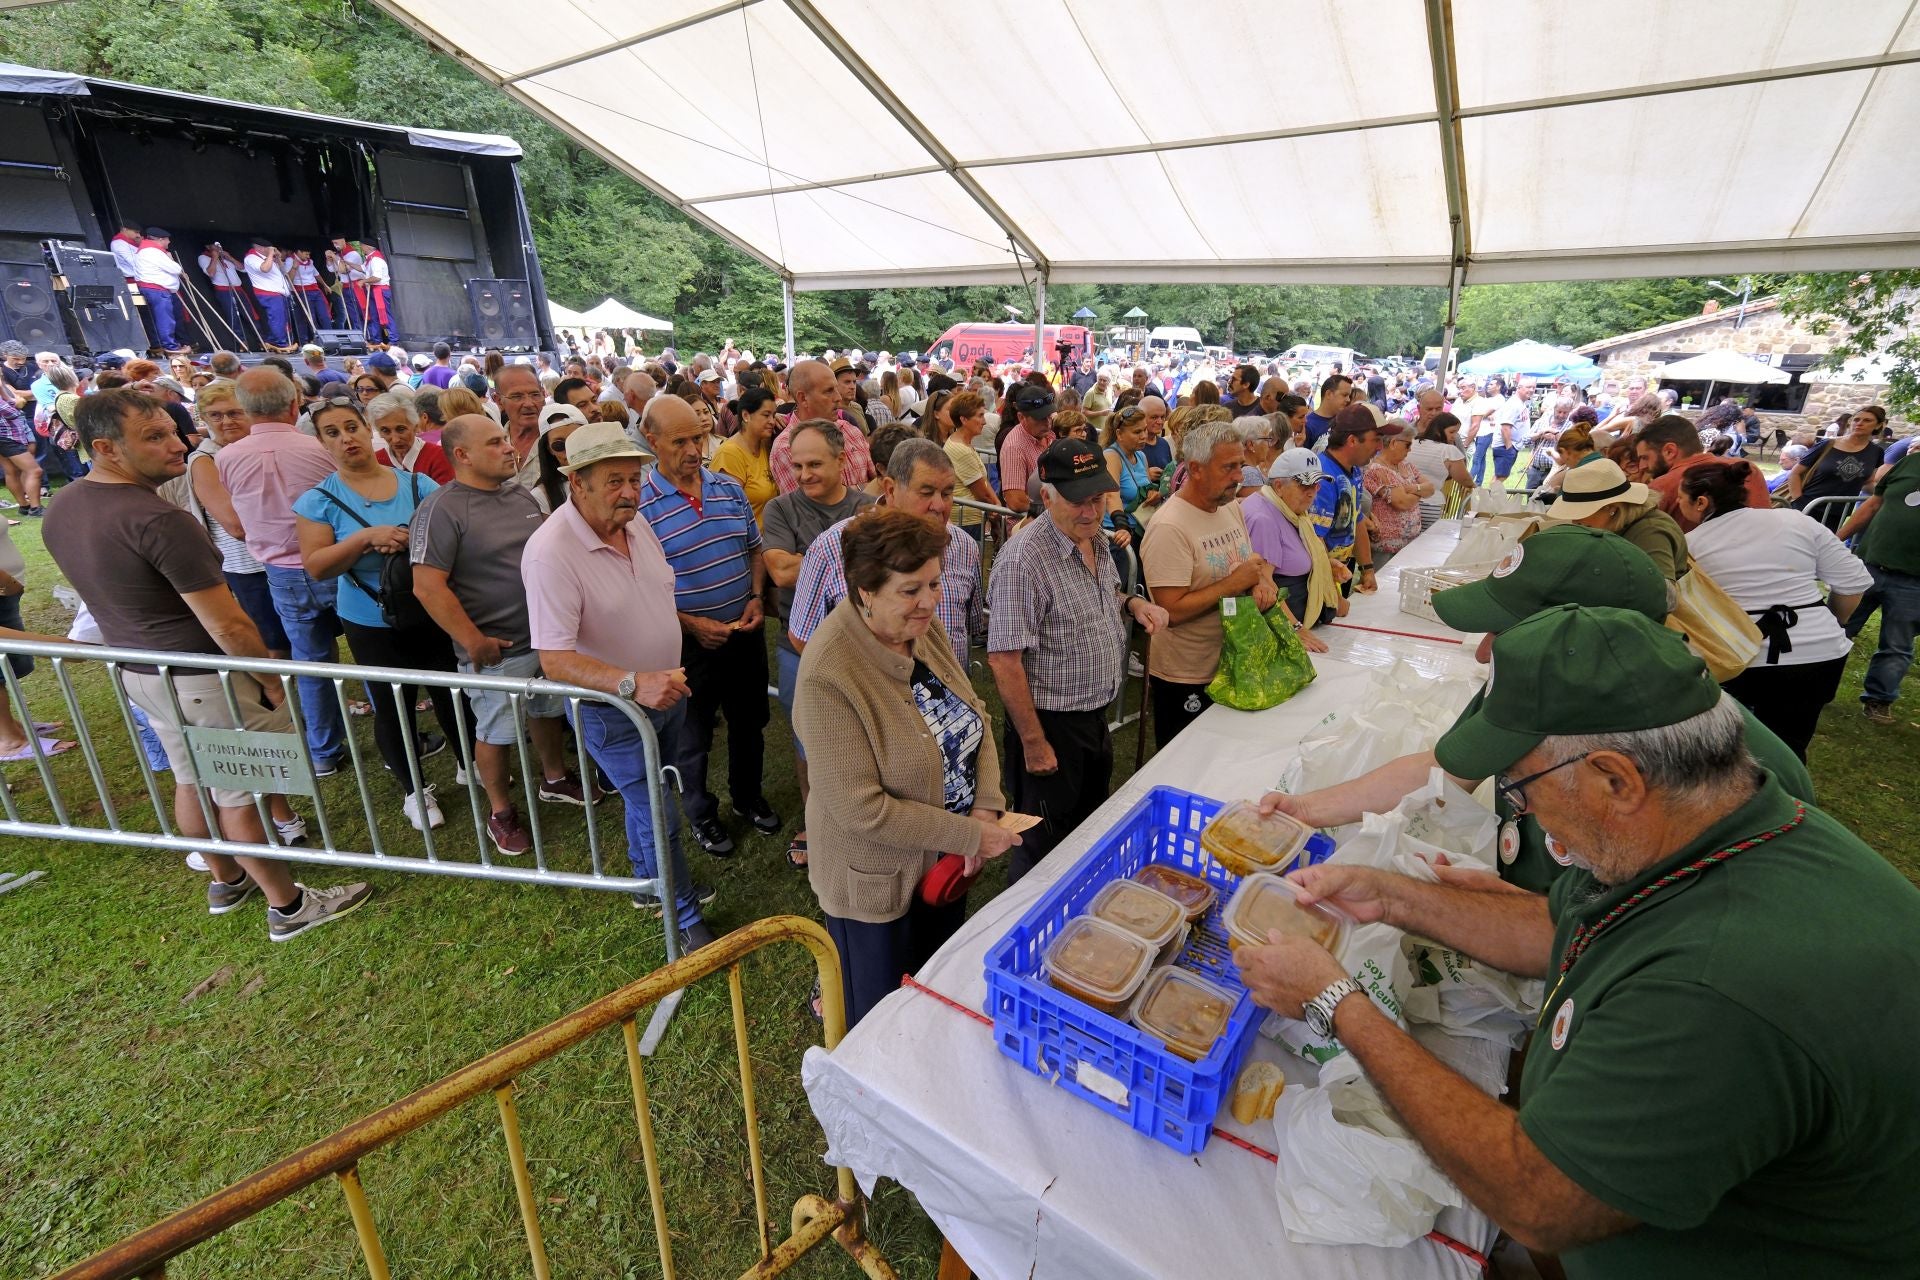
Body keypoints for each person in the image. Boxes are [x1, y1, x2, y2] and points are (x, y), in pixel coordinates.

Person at [1238, 605, 1920, 1278]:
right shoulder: (1706, 829)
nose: (1517, 807)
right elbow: (1553, 926)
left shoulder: (1718, 987)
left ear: (1617, 780)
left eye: (1521, 784)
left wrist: (1335, 1000)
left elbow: (1537, 1200)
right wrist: (1391, 895)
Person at [1261, 525, 1812, 893]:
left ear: (1592, 632)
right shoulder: (1551, 681)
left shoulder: (1731, 779)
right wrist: (1303, 810)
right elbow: (1443, 765)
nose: (1482, 652)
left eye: (1502, 630)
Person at [45, 389, 370, 938]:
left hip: (141, 674)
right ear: (105, 448)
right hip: (202, 676)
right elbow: (227, 624)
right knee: (238, 791)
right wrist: (266, 676)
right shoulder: (157, 519)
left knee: (193, 780)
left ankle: (224, 878)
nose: (178, 443)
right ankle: (289, 907)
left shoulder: (64, 506)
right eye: (154, 437)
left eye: (173, 429)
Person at [792, 508, 1017, 1026]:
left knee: (933, 989)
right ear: (865, 591)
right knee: (879, 1014)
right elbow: (860, 810)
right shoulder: (829, 671)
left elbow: (973, 713)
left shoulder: (922, 626)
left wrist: (985, 808)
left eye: (935, 584)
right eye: (911, 590)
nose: (929, 602)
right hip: (875, 882)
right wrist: (968, 836)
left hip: (944, 862)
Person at [522, 421, 712, 945]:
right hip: (615, 709)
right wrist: (634, 684)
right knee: (658, 808)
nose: (629, 491)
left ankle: (644, 878)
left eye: (634, 478)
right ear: (576, 482)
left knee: (647, 797)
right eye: (614, 480)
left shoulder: (636, 523)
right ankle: (684, 916)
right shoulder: (550, 552)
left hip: (665, 690)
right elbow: (555, 660)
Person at [988, 440, 1168, 882]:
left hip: (1093, 716)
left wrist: (1132, 605)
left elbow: (1104, 595)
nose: (1090, 512)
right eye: (1077, 501)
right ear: (1047, 496)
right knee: (1041, 843)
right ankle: (1027, 923)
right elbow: (1004, 659)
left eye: (1096, 499)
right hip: (1051, 724)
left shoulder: (1096, 541)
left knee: (1087, 826)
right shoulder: (1023, 561)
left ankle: (1077, 907)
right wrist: (1034, 742)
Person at [410, 414, 588, 855]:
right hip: (496, 649)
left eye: (505, 440)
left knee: (546, 711)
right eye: (495, 442)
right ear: (462, 455)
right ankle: (500, 812)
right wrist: (473, 641)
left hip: (545, 639)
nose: (509, 448)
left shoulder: (519, 495)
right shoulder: (441, 509)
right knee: (496, 731)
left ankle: (553, 778)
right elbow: (426, 585)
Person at [294, 396, 460, 830]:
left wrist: (407, 539)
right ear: (321, 443)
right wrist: (364, 539)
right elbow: (316, 565)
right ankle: (413, 790)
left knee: (449, 691)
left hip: (428, 608)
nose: (346, 438)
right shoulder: (318, 501)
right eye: (332, 432)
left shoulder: (417, 484)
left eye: (351, 427)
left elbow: (452, 540)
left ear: (366, 428)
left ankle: (468, 762)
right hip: (369, 619)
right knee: (392, 706)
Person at [637, 395, 775, 858]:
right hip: (687, 646)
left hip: (743, 631)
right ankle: (701, 814)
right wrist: (691, 625)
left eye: (698, 437)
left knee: (750, 720)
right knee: (692, 734)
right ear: (651, 440)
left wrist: (756, 597)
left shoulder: (728, 488)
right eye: (680, 441)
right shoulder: (640, 508)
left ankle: (747, 796)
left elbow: (754, 549)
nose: (694, 449)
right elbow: (638, 587)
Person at [1677, 460, 1871, 760]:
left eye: (1680, 498)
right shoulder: (1797, 522)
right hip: (1819, 653)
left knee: (1727, 751)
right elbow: (1853, 585)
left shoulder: (1690, 544)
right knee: (1790, 749)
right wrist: (1831, 620)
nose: (1678, 504)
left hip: (1739, 654)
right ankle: (1789, 797)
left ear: (1701, 501)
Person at [217, 370, 349, 772]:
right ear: (294, 405)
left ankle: (324, 751)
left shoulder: (226, 457)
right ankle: (400, 736)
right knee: (367, 652)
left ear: (244, 410)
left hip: (282, 572)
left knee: (309, 662)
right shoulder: (318, 450)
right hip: (335, 561)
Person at [762, 420, 877, 871]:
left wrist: (808, 557)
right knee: (807, 735)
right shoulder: (780, 509)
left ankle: (861, 816)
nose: (804, 474)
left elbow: (877, 568)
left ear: (841, 461)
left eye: (814, 464)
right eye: (797, 465)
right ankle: (816, 820)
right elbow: (779, 573)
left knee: (865, 733)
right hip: (801, 645)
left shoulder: (868, 506)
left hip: (863, 646)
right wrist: (839, 552)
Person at [1139, 419, 1277, 747]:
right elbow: (1170, 611)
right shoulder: (1169, 527)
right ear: (1196, 469)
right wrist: (1235, 583)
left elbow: (1246, 560)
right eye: (1228, 467)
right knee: (1185, 764)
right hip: (1186, 675)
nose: (1239, 476)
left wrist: (1260, 579)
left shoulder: (1229, 507)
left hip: (1232, 661)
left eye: (1240, 465)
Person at [790, 438, 982, 668]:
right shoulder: (833, 547)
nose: (939, 505)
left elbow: (969, 628)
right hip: (868, 698)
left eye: (947, 493)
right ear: (890, 489)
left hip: (947, 697)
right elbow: (803, 637)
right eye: (926, 492)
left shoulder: (965, 547)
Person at [1835, 441, 1920, 724]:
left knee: (1897, 644)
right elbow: (1873, 504)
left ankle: (1878, 700)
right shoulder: (1908, 464)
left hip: (1914, 579)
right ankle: (1812, 684)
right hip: (1868, 565)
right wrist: (1837, 539)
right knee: (1834, 629)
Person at [1240, 448, 1341, 651]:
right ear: (1278, 486)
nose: (1312, 491)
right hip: (1278, 633)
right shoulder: (1263, 519)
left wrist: (1327, 565)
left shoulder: (1290, 510)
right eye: (1304, 485)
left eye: (1316, 484)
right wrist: (1295, 629)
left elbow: (1291, 553)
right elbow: (1264, 582)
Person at [1548, 457, 1690, 582]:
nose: (1574, 521)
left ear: (1612, 508)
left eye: (1580, 512)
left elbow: (1664, 595)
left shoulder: (1650, 531)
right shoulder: (1610, 525)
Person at [1635, 415, 1769, 531]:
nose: (1642, 466)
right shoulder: (1747, 468)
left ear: (1669, 451)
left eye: (1645, 457)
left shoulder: (1661, 487)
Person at [1311, 405, 1386, 596]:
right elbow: (1313, 540)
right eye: (1376, 440)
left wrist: (1367, 568)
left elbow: (1357, 518)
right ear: (1352, 440)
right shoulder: (1324, 476)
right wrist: (1333, 594)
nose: (1380, 447)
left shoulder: (1354, 470)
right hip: (1317, 578)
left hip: (1339, 572)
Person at [770, 359, 874, 493]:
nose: (838, 398)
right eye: (829, 391)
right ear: (803, 398)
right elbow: (811, 507)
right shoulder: (786, 447)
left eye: (836, 389)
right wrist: (863, 489)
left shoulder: (850, 430)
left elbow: (878, 482)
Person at [1788, 405, 1886, 531]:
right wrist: (1798, 500)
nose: (1859, 423)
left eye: (1867, 420)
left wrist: (1887, 493)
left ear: (1878, 425)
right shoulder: (1827, 444)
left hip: (1838, 513)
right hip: (1808, 507)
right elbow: (1795, 473)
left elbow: (1867, 482)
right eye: (1856, 419)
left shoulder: (1876, 452)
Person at [1362, 425, 1433, 562]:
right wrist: (1419, 490)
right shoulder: (1377, 470)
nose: (1410, 449)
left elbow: (1430, 488)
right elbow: (1402, 502)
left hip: (1409, 541)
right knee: (1380, 581)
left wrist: (1409, 488)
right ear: (1394, 443)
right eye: (1408, 445)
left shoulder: (1406, 465)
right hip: (1386, 545)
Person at [710, 385, 777, 525]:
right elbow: (728, 513)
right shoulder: (730, 454)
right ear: (746, 415)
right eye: (766, 415)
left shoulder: (766, 444)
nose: (772, 421)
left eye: (774, 415)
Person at [941, 390, 995, 541]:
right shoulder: (961, 449)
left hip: (969, 520)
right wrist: (998, 511)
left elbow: (982, 481)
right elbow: (982, 494)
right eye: (980, 416)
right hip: (967, 523)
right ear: (964, 419)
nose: (984, 422)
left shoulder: (962, 443)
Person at [366, 390, 453, 483]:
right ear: (379, 433)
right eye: (385, 431)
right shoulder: (376, 461)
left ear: (415, 427)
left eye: (401, 429)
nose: (395, 440)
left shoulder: (439, 457)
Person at [996, 382, 1057, 515]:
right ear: (1021, 417)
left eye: (1048, 416)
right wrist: (1051, 511)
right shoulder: (1015, 447)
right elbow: (1015, 501)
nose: (1047, 422)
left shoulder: (1048, 435)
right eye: (1039, 418)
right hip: (1028, 526)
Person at [1407, 411, 1470, 529]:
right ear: (1438, 430)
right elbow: (1465, 479)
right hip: (1430, 503)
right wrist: (1475, 487)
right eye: (1452, 432)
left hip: (1405, 501)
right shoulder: (1448, 450)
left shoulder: (1411, 443)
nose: (1454, 436)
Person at [134, 228, 188, 353]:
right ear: (160, 239)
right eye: (167, 239)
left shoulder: (144, 250)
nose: (169, 242)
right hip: (157, 290)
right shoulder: (153, 252)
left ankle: (165, 345)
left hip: (150, 288)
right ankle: (170, 347)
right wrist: (170, 258)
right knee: (165, 319)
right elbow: (175, 269)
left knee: (159, 318)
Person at [243, 240, 291, 349]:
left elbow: (284, 270)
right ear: (260, 248)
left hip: (278, 293)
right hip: (268, 293)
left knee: (279, 319)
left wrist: (278, 258)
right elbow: (264, 269)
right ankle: (281, 343)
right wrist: (270, 254)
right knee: (277, 319)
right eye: (269, 248)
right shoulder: (251, 258)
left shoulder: (268, 259)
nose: (272, 250)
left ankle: (271, 341)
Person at [1300, 373, 1352, 450]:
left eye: (1349, 396)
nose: (1348, 400)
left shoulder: (1343, 421)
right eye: (1344, 395)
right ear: (1329, 394)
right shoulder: (1308, 424)